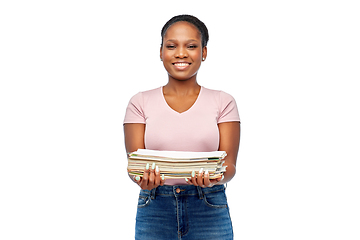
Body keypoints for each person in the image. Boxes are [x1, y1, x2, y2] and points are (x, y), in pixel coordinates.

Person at [124, 14, 240, 240]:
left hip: (209, 206)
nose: (180, 53)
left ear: (204, 53)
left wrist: (216, 177)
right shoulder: (139, 102)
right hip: (154, 206)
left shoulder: (223, 102)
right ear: (160, 52)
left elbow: (230, 164)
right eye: (171, 46)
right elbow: (134, 164)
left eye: (191, 46)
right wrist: (142, 179)